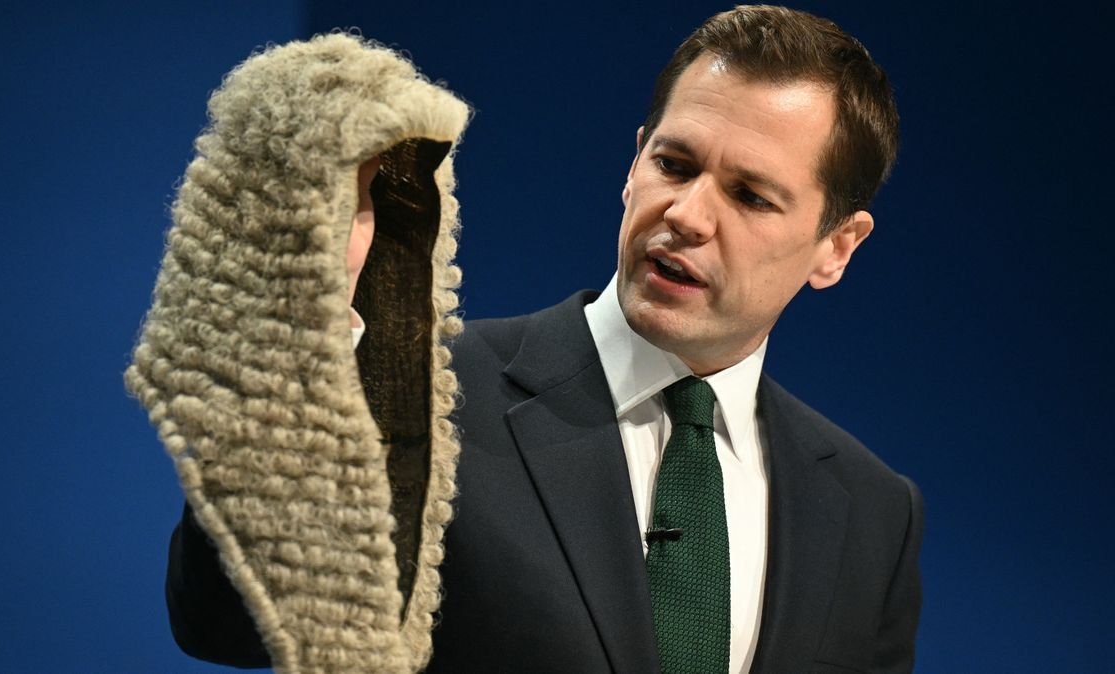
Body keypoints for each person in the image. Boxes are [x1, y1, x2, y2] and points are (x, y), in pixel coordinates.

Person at [160, 6, 922, 673]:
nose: (687, 215)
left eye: (750, 196)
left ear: (837, 246)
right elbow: (226, 620)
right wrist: (303, 330)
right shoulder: (429, 400)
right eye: (674, 163)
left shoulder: (874, 515)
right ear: (634, 164)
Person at [126, 34, 471, 674]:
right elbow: (226, 630)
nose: (340, 236)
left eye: (362, 201)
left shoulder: (457, 403)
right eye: (322, 200)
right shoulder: (242, 405)